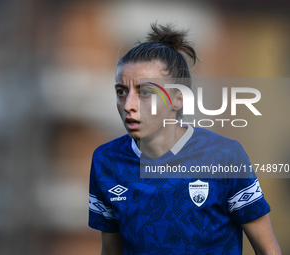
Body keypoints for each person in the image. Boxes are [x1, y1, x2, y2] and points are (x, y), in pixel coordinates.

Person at [88, 23, 281, 255]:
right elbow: (110, 251)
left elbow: (269, 251)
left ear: (178, 99)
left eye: (145, 92)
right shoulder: (106, 160)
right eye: (121, 92)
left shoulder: (225, 155)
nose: (128, 105)